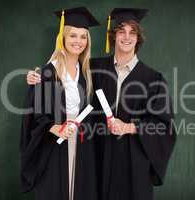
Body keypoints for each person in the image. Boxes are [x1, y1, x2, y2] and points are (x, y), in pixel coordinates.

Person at [26, 7, 176, 200]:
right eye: (121, 31)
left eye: (133, 32)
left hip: (133, 161)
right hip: (96, 158)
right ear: (113, 36)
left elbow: (164, 125)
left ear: (138, 38)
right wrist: (36, 76)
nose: (127, 37)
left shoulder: (153, 79)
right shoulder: (93, 69)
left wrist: (129, 127)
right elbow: (64, 71)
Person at [20, 7, 100, 200]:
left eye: (83, 37)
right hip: (54, 144)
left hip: (82, 143)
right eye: (73, 35)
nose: (78, 41)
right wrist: (55, 128)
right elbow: (36, 115)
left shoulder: (87, 72)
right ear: (63, 38)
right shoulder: (48, 72)